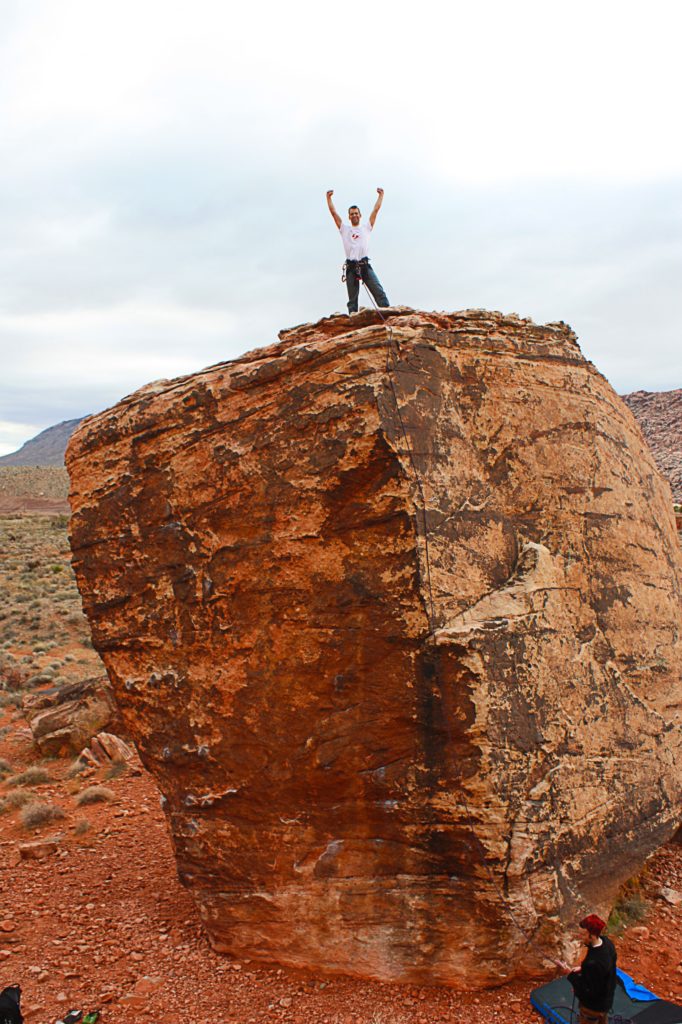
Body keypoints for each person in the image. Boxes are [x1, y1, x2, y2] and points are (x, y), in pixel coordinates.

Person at [326, 189, 390, 314]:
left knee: (379, 293)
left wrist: (381, 196)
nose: (354, 215)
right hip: (351, 267)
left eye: (356, 213)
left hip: (364, 265)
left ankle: (389, 316)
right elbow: (333, 213)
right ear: (349, 217)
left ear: (360, 215)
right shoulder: (345, 229)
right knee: (352, 301)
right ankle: (353, 324)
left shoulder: (366, 228)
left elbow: (375, 210)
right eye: (352, 214)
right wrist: (328, 198)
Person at [558, 914, 617, 1024]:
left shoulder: (593, 963)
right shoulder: (607, 943)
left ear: (593, 935)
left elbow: (588, 992)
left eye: (584, 934)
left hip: (592, 1008)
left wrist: (570, 974)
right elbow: (605, 969)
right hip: (606, 1000)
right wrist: (583, 968)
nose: (581, 937)